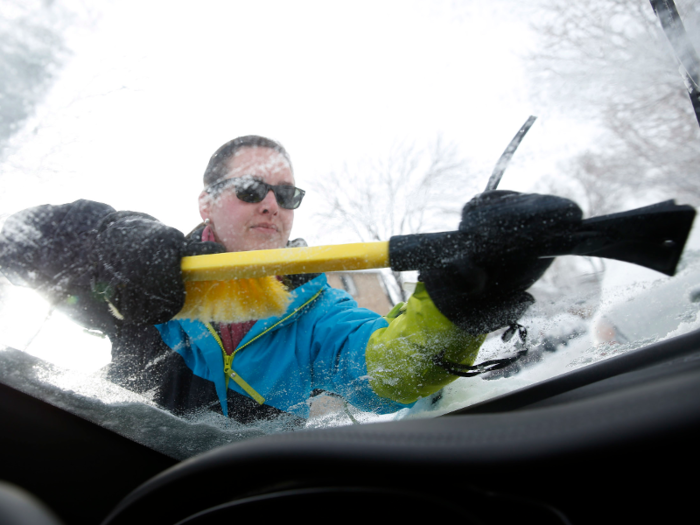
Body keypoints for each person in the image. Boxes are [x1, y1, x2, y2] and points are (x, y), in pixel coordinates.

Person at [0, 135, 582, 427]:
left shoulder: (315, 311)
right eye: (251, 189)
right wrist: (100, 231)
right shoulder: (138, 278)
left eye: (287, 194)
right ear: (206, 202)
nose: (271, 206)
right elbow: (16, 244)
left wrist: (462, 303)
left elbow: (388, 377)